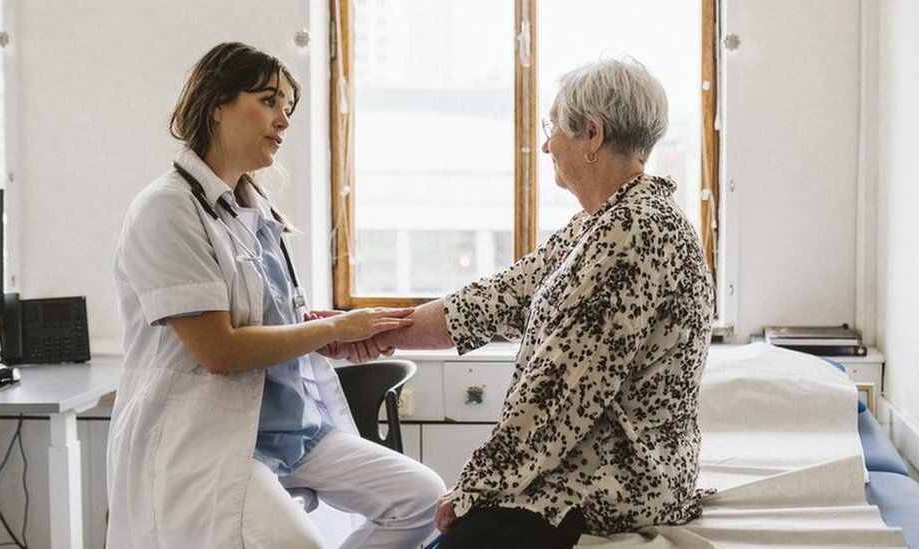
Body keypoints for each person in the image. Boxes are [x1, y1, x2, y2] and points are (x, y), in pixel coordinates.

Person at [106, 42, 444, 549]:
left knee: (422, 498)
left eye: (288, 107)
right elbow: (218, 350)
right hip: (210, 440)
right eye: (268, 101)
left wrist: (317, 328)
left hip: (293, 429)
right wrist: (330, 329)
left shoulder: (253, 210)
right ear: (217, 102)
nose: (283, 120)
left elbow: (264, 316)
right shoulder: (167, 209)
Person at [371, 57, 715, 548]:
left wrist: (473, 489)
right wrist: (371, 330)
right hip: (585, 468)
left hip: (612, 482)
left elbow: (560, 394)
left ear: (592, 134)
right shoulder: (604, 221)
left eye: (553, 125)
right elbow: (496, 299)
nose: (546, 143)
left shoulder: (633, 230)